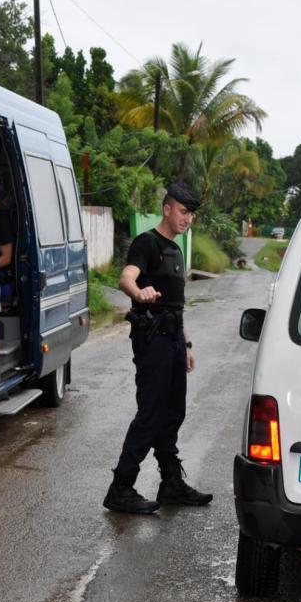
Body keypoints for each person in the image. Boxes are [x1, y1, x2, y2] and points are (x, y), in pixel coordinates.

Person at [103, 182, 213, 514]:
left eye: (191, 213)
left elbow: (176, 307)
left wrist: (187, 344)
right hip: (152, 341)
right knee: (150, 415)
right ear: (166, 209)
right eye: (182, 211)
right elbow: (126, 278)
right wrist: (139, 293)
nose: (187, 218)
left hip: (174, 340)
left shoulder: (177, 251)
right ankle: (121, 488)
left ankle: (171, 484)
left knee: (173, 413)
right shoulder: (147, 242)